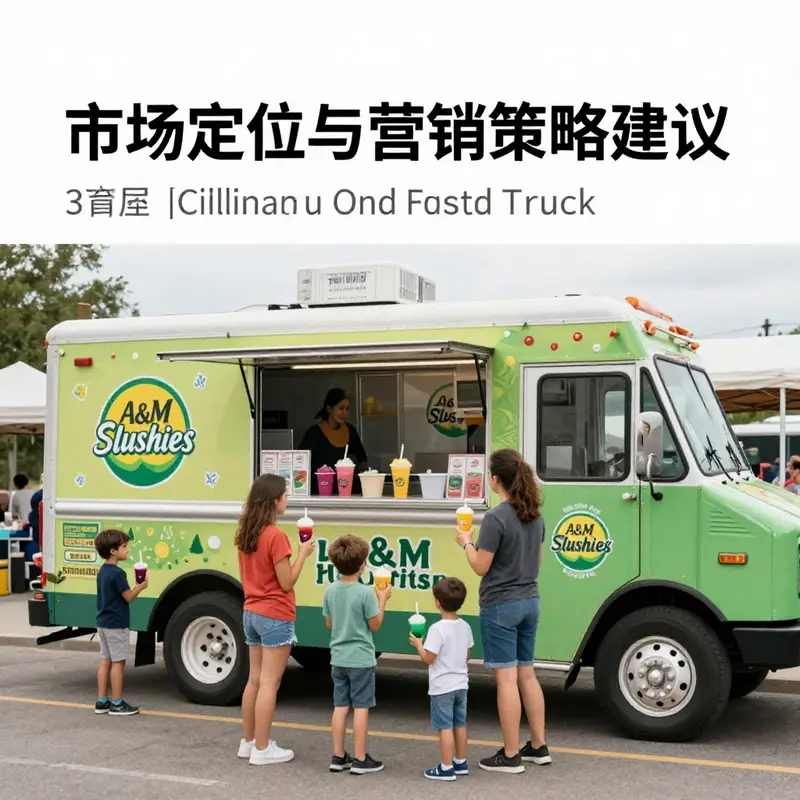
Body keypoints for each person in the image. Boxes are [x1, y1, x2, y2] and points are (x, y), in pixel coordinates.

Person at [456, 448, 550, 774]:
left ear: (495, 479)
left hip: (500, 604)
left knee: (507, 679)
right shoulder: (536, 517)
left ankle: (510, 754)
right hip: (530, 601)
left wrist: (466, 542)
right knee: (527, 674)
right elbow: (537, 561)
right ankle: (538, 745)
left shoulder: (495, 518)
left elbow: (480, 566)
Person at [235, 474, 315, 766]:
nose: (287, 500)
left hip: (251, 611)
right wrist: (303, 554)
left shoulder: (246, 533)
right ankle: (262, 748)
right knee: (270, 684)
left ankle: (248, 742)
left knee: (254, 681)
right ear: (274, 501)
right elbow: (286, 582)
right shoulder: (276, 536)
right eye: (285, 495)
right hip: (275, 614)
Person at [324, 534, 391, 774]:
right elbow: (375, 625)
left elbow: (329, 625)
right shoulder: (365, 593)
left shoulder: (330, 590)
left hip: (338, 657)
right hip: (361, 659)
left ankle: (338, 756)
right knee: (361, 707)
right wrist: (382, 600)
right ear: (362, 564)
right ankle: (361, 759)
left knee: (340, 706)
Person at [410, 577, 474, 781]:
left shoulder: (436, 629)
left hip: (442, 687)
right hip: (461, 684)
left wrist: (418, 645)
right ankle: (460, 761)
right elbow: (467, 655)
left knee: (444, 726)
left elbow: (429, 658)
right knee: (459, 723)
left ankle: (446, 767)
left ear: (437, 603)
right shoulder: (465, 626)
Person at [94, 528, 148, 716]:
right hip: (117, 624)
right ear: (113, 551)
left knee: (105, 661)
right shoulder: (118, 573)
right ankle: (116, 703)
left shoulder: (102, 571)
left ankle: (101, 701)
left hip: (103, 622)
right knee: (118, 662)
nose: (127, 550)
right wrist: (140, 587)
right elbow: (128, 597)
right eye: (124, 546)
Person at [299, 388, 368, 495]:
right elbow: (301, 463)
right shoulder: (314, 434)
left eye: (347, 409)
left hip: (348, 491)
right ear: (329, 409)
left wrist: (352, 461)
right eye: (341, 408)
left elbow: (361, 458)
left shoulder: (351, 431)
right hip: (320, 492)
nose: (344, 413)